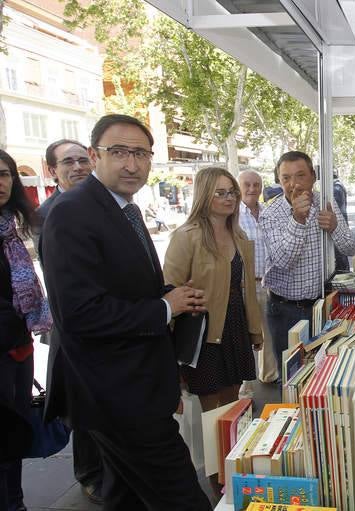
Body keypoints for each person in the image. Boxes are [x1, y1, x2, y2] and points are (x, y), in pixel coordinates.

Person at [41, 114, 211, 510]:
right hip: (117, 393)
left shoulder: (123, 208)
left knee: (126, 495)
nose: (131, 164)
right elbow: (80, 314)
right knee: (181, 497)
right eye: (118, 152)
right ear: (93, 155)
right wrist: (163, 308)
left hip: (134, 385)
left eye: (140, 154)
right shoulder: (72, 213)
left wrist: (170, 296)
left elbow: (124, 286)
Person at [37, 139, 104, 504]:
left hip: (103, 325)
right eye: (68, 162)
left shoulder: (96, 205)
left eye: (83, 159)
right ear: (52, 170)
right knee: (84, 408)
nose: (78, 167)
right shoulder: (54, 213)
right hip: (76, 328)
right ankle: (90, 475)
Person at [164, 166, 263, 410]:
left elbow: (246, 289)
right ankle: (212, 450)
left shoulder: (239, 236)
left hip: (236, 326)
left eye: (232, 192)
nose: (229, 198)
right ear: (204, 195)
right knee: (210, 408)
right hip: (204, 333)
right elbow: (169, 292)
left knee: (233, 404)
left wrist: (255, 330)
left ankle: (231, 448)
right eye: (220, 193)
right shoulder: (186, 236)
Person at [261, 151, 355, 380]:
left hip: (322, 307)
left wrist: (335, 227)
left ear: (313, 176)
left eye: (300, 175)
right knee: (291, 380)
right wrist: (298, 219)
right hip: (285, 310)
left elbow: (351, 248)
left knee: (324, 375)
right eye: (285, 178)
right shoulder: (270, 215)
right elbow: (285, 261)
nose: (293, 184)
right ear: (279, 181)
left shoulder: (326, 201)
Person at [1, 149, 52, 511]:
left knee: (15, 433)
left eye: (4, 174)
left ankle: (15, 502)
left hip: (18, 348)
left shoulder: (9, 228)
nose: (0, 183)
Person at [237, 169, 279, 386]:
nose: (252, 189)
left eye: (256, 184)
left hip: (268, 283)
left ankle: (269, 375)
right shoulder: (233, 215)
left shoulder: (268, 212)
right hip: (244, 285)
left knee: (268, 332)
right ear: (239, 187)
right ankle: (243, 388)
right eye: (247, 184)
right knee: (244, 337)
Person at [332, 171, 351, 272]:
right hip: (341, 223)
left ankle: (344, 273)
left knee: (340, 254)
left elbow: (335, 210)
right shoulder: (339, 186)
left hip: (338, 225)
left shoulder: (336, 188)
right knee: (341, 253)